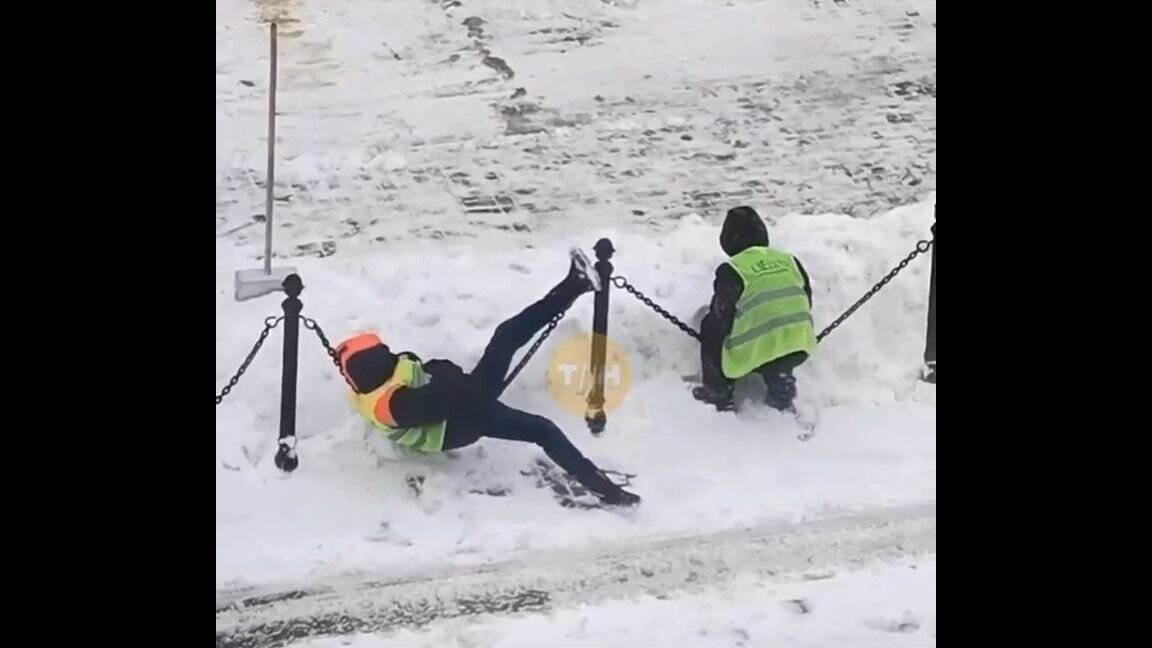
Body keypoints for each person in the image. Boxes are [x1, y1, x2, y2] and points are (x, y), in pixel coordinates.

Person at [334, 248, 641, 507]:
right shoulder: (391, 405)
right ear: (372, 364)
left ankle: (575, 283)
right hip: (459, 424)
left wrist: (444, 375)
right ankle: (608, 492)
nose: (389, 352)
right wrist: (447, 375)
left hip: (461, 400)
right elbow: (441, 391)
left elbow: (428, 370)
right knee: (542, 429)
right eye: (382, 351)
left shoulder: (376, 377)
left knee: (506, 337)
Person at [692, 206, 817, 412]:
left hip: (756, 351)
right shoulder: (789, 260)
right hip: (798, 345)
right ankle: (781, 386)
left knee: (709, 328)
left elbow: (721, 319)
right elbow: (806, 300)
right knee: (777, 332)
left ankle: (718, 392)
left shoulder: (733, 269)